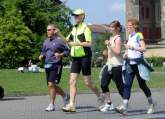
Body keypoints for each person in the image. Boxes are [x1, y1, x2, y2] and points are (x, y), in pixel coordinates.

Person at [62, 9, 104, 112]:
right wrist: (59, 34)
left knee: (87, 82)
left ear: (82, 16)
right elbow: (66, 40)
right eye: (74, 16)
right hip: (75, 58)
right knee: (72, 81)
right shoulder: (74, 28)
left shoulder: (86, 28)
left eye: (77, 15)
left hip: (85, 57)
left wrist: (76, 43)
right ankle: (71, 104)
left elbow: (89, 44)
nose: (75, 17)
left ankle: (100, 96)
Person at [115, 19, 155, 115]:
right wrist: (125, 53)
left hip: (138, 65)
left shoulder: (139, 35)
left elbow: (143, 48)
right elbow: (128, 49)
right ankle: (124, 106)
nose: (127, 27)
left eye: (129, 25)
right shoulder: (129, 36)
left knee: (142, 86)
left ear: (135, 26)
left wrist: (132, 48)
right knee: (127, 85)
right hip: (129, 64)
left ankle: (151, 104)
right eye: (127, 25)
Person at [39, 24, 70, 111]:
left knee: (51, 84)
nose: (47, 31)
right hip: (47, 65)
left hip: (56, 65)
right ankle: (65, 95)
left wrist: (60, 54)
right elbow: (44, 51)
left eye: (49, 30)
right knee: (51, 85)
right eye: (47, 30)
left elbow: (68, 51)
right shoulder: (46, 41)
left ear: (54, 30)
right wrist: (41, 55)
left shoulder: (59, 41)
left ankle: (52, 104)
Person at [99, 21, 124, 112]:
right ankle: (109, 103)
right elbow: (111, 52)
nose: (110, 28)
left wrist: (109, 44)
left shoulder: (118, 38)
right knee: (103, 84)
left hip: (117, 65)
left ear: (117, 28)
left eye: (112, 27)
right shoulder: (111, 37)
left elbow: (118, 52)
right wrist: (106, 53)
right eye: (109, 27)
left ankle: (125, 103)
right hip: (109, 64)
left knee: (120, 86)